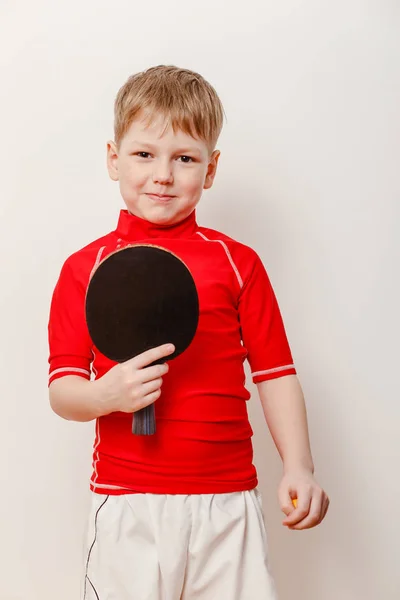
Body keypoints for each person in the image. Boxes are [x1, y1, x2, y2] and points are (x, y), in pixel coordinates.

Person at [48, 65, 329, 600]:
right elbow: (63, 389)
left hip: (226, 501)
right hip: (127, 500)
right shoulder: (84, 270)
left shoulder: (237, 263)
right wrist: (104, 395)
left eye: (184, 158)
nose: (163, 175)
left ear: (211, 167)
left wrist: (299, 465)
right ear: (113, 159)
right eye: (144, 154)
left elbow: (275, 374)